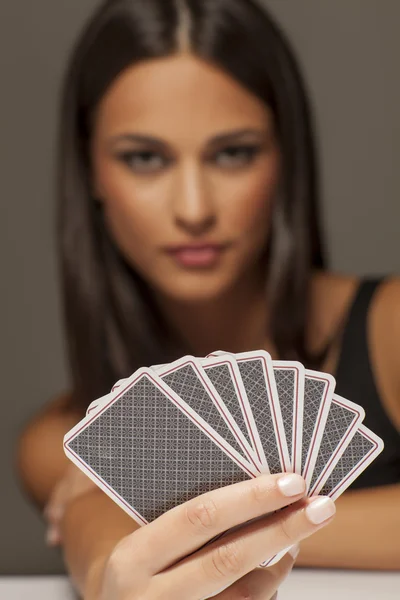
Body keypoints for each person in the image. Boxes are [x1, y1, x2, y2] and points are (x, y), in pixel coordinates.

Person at [16, 0, 400, 597]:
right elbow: (112, 572)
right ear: (90, 171)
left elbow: (133, 544)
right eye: (144, 158)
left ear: (284, 160)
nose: (193, 209)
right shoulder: (56, 443)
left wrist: (241, 530)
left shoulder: (391, 327)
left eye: (233, 153)